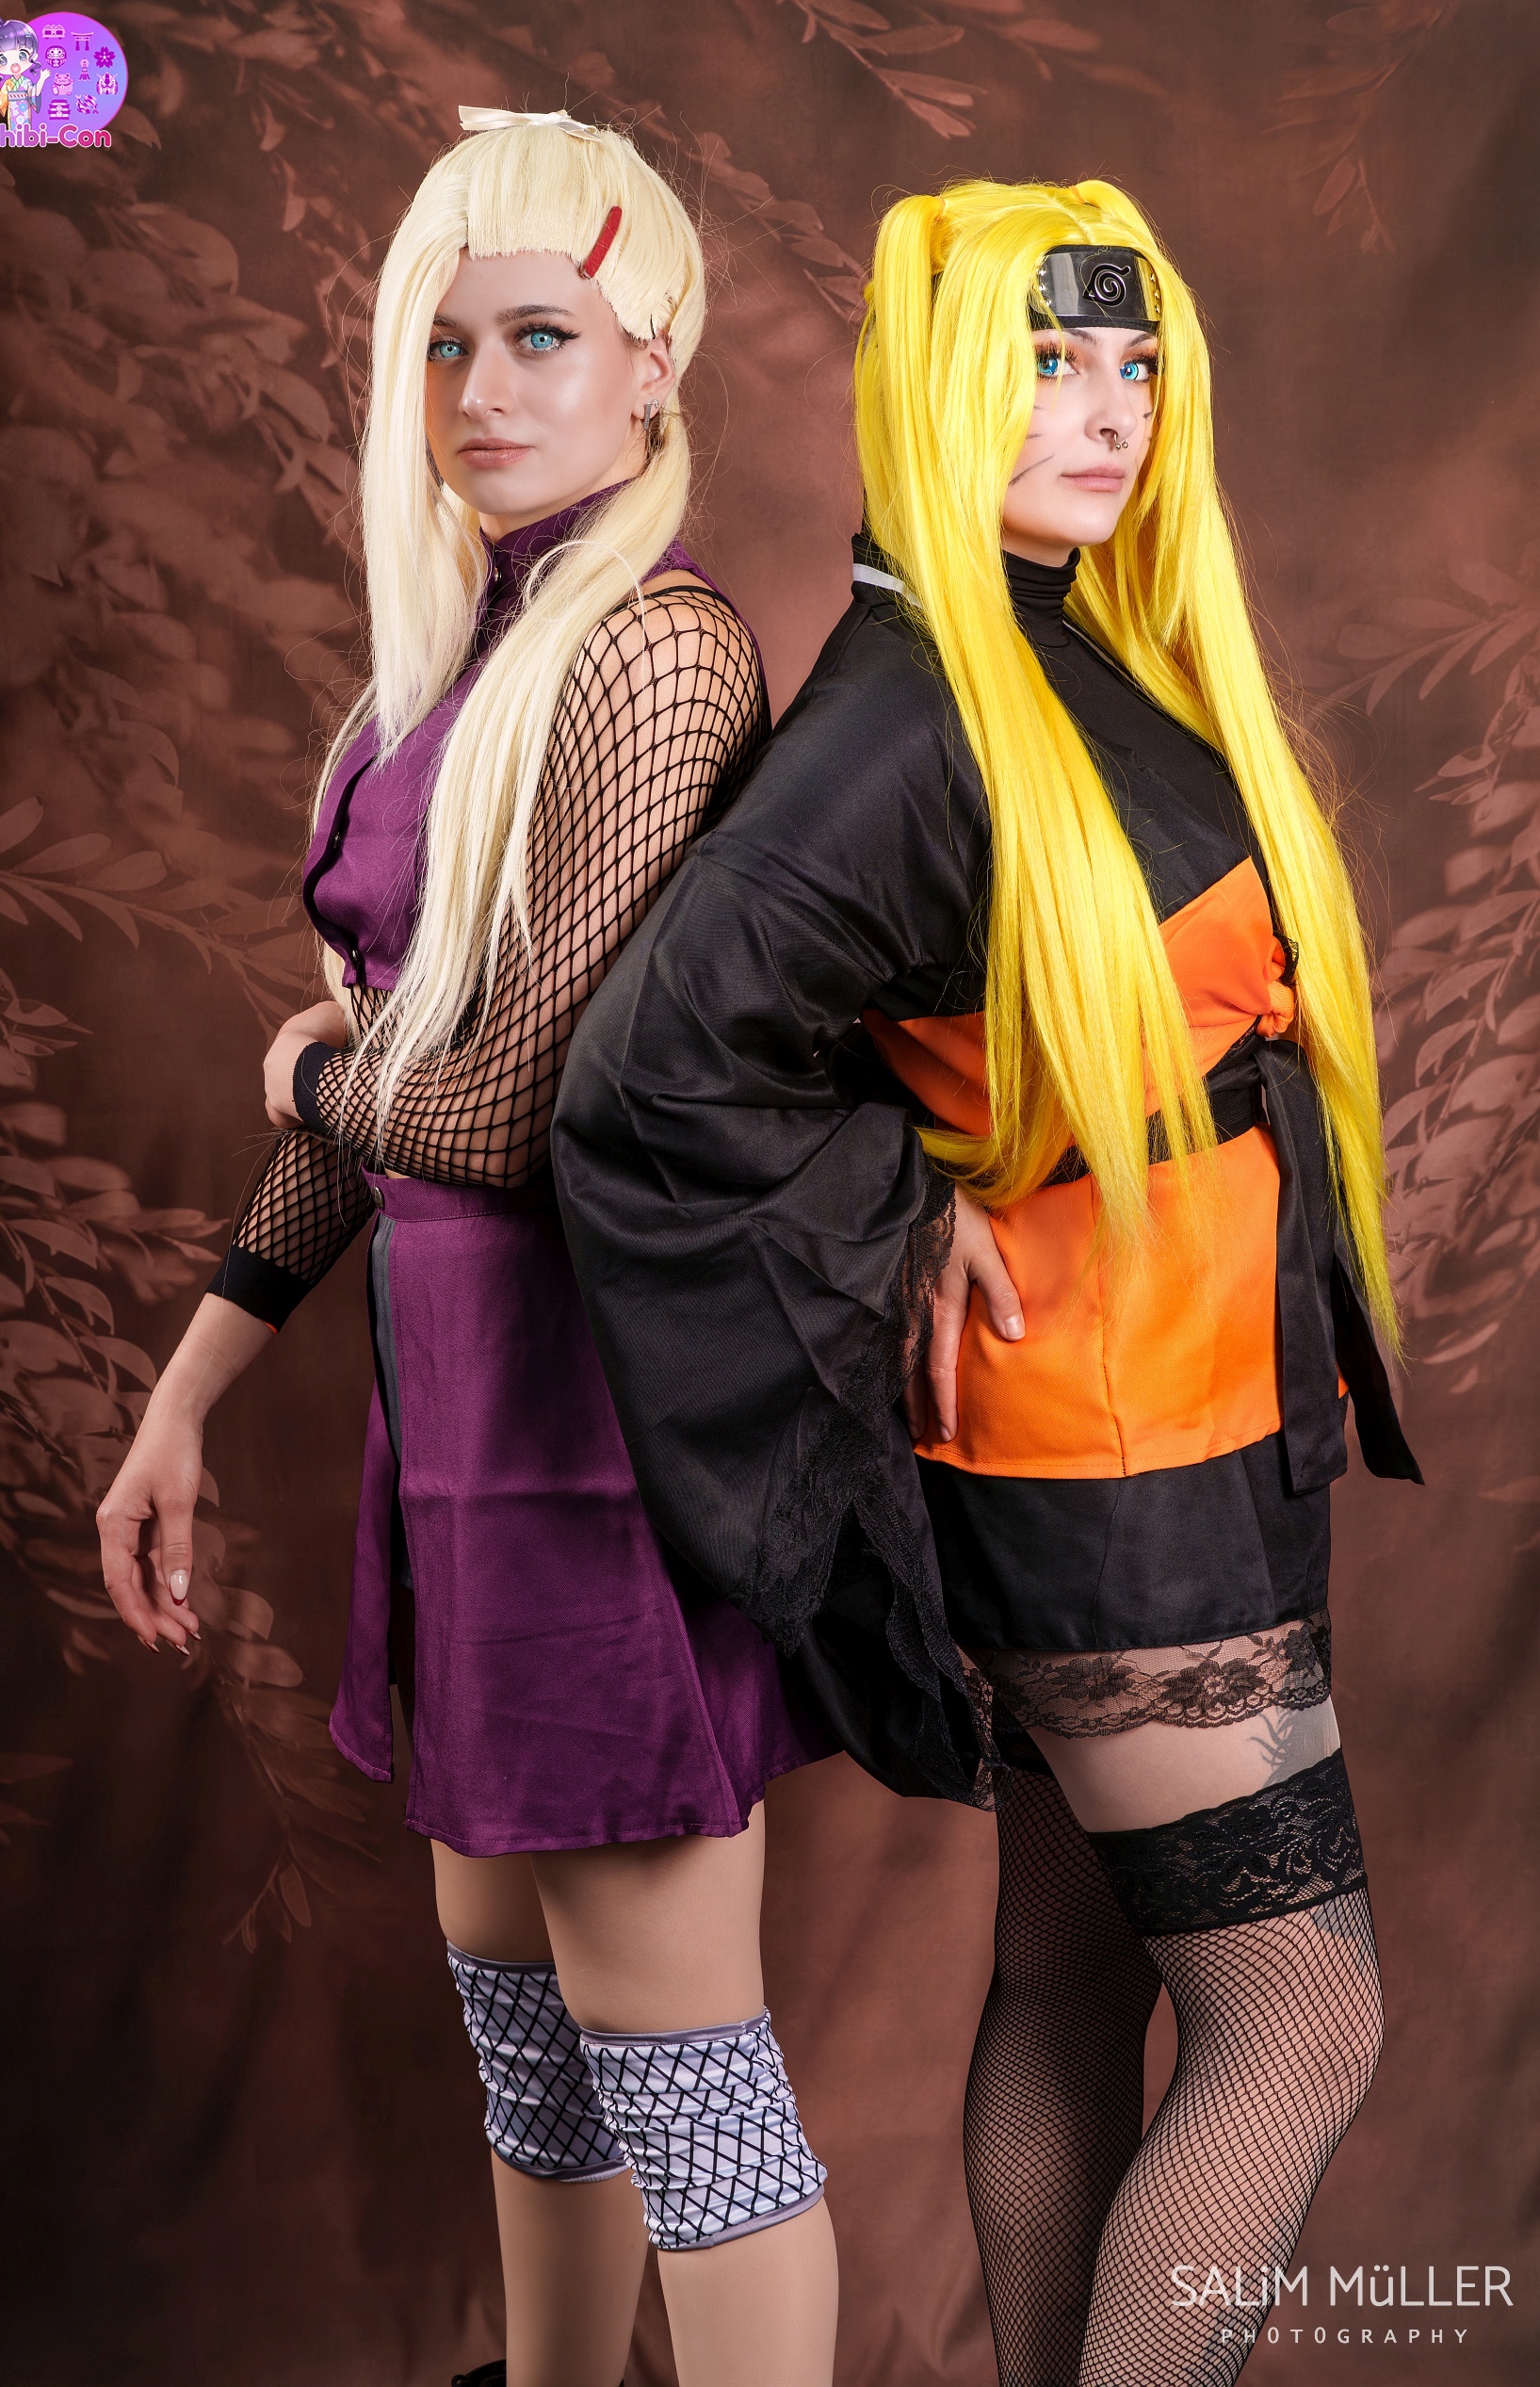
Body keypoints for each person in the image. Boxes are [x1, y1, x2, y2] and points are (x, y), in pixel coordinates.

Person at [552, 177, 1421, 2385]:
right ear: (938, 383)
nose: (1106, 408)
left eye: (1132, 360)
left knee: (1079, 1967)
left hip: (1174, 1405)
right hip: (1107, 1444)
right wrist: (896, 1198)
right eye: (1048, 360)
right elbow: (648, 1072)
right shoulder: (905, 714)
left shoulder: (1051, 642)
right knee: (1298, 2014)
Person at [96, 110, 837, 2387]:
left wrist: (316, 1069)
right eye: (444, 343)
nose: (484, 389)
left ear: (649, 366)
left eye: (540, 337)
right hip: (454, 1444)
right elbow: (396, 1109)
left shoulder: (655, 655)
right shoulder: (446, 670)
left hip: (605, 1447)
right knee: (523, 2019)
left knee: (680, 2065)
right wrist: (185, 1394)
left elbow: (495, 1112)